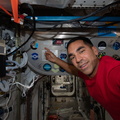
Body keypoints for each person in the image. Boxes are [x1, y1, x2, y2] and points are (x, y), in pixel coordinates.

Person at [44, 37, 120, 120]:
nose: (78, 59)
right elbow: (74, 71)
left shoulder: (114, 72)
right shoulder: (89, 72)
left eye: (81, 51)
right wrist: (55, 60)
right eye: (72, 57)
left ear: (94, 51)